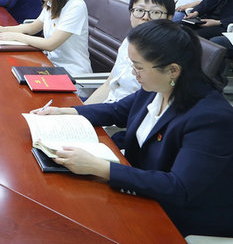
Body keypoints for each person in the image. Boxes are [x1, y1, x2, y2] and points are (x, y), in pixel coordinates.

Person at [32, 20, 233, 237]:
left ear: (173, 70)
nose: (133, 73)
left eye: (138, 67)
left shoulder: (210, 118)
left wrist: (100, 167)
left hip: (179, 216)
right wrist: (66, 112)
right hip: (140, 189)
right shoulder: (156, 87)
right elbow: (117, 110)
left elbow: (178, 188)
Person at [84, 0, 175, 104]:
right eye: (140, 10)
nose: (145, 17)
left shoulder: (167, 55)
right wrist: (83, 110)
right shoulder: (130, 40)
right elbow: (108, 85)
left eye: (155, 12)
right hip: (108, 104)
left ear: (169, 18)